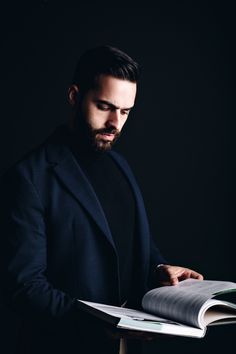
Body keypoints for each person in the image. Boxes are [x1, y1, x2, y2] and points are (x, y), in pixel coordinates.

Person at [0, 45, 203, 354]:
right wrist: (97, 322)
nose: (115, 123)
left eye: (125, 111)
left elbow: (134, 247)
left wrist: (159, 268)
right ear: (74, 96)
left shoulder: (120, 166)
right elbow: (24, 288)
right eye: (105, 106)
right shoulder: (29, 178)